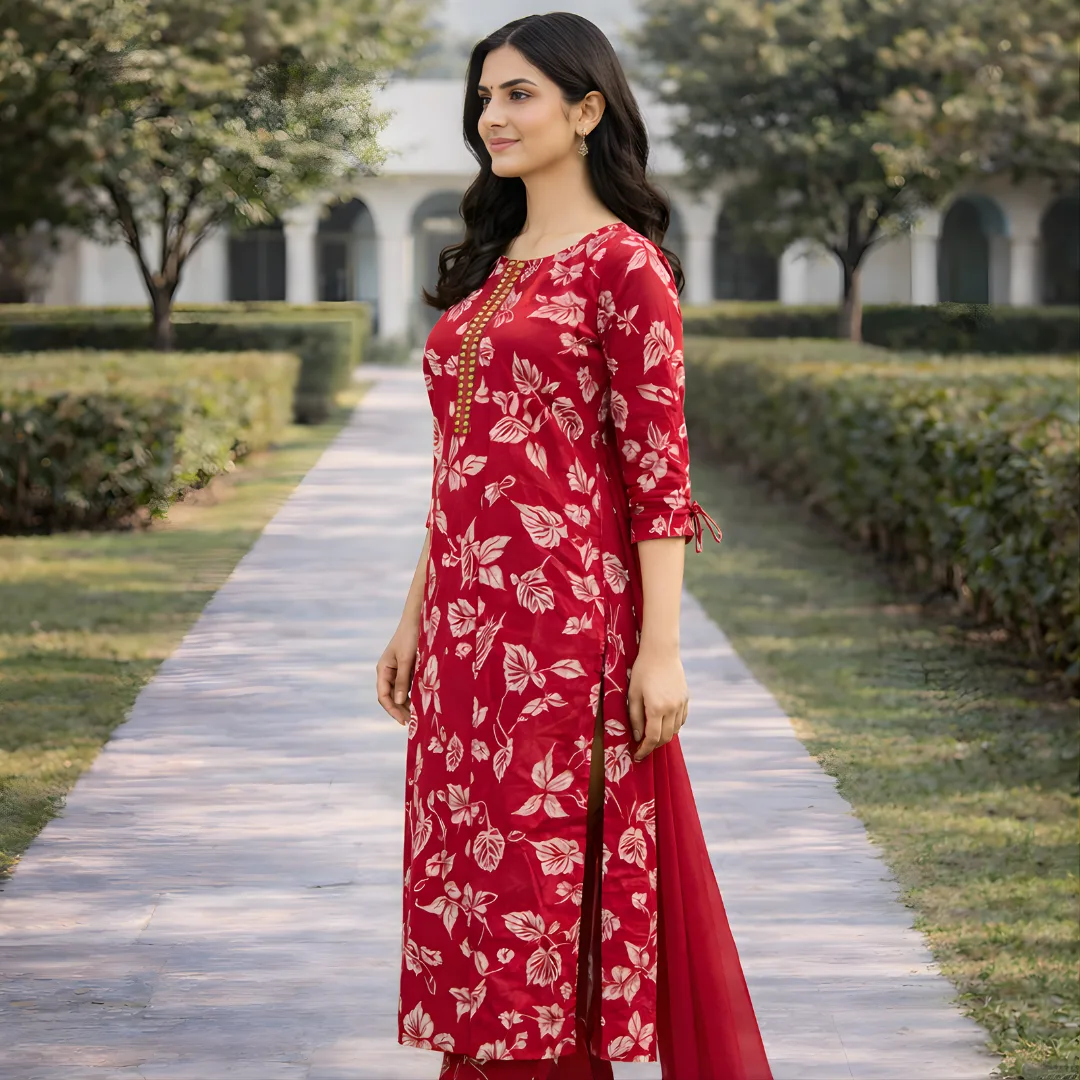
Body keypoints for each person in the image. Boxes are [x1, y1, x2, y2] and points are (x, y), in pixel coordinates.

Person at [376, 13, 773, 1079]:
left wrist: (661, 651)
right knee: (473, 892)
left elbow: (659, 480)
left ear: (587, 110)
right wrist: (415, 618)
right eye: (484, 97)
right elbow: (462, 468)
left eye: (519, 95)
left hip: (562, 639)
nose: (491, 117)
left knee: (536, 901)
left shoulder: (624, 267)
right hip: (464, 645)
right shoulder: (490, 265)